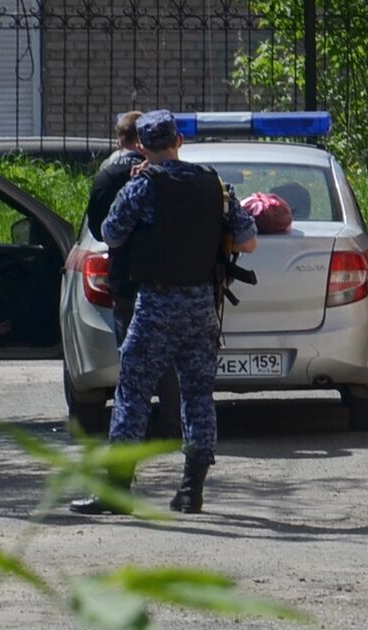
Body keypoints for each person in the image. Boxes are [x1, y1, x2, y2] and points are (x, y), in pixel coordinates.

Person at [70, 109, 258, 515]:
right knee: (197, 395)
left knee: (133, 394)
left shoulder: (143, 187)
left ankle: (117, 489)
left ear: (141, 146)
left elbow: (110, 233)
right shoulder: (215, 184)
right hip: (203, 306)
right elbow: (248, 241)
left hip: (155, 304)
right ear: (179, 142)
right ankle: (192, 489)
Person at [85, 110, 182, 439]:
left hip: (128, 280)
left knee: (132, 362)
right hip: (181, 283)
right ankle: (174, 428)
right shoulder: (198, 179)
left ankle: (132, 437)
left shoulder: (110, 178)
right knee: (171, 361)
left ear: (123, 140)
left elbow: (104, 233)